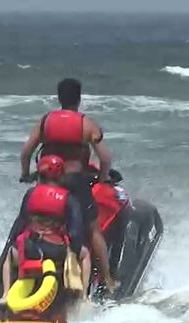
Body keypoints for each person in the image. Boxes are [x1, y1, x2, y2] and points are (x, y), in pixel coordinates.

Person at [19, 78, 119, 292]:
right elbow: (106, 158)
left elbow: (26, 151)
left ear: (59, 97)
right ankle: (107, 279)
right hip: (76, 182)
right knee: (93, 229)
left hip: (47, 181)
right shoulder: (86, 124)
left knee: (28, 223)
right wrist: (102, 178)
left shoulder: (45, 121)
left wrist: (26, 174)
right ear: (79, 98)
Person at [0, 155, 91, 304]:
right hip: (56, 252)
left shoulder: (30, 194)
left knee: (9, 256)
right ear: (62, 176)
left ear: (39, 175)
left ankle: (5, 295)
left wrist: (15, 244)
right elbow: (75, 232)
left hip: (29, 250)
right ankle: (84, 298)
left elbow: (21, 224)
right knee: (85, 254)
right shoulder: (68, 198)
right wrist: (73, 251)